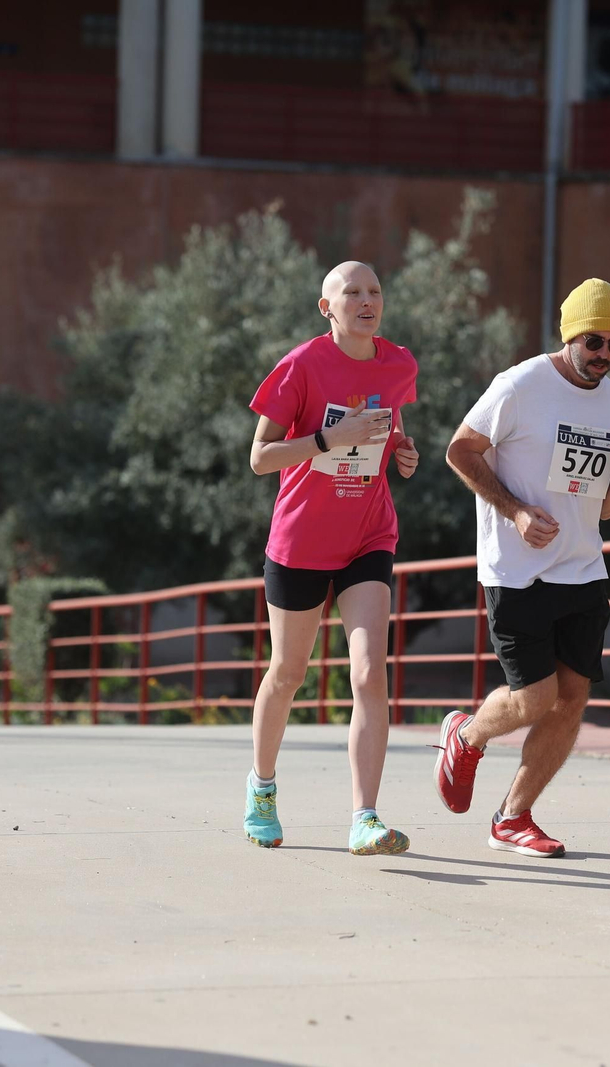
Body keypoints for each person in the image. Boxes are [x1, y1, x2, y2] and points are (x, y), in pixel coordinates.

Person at [435, 277, 610, 857]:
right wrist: (517, 512)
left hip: (582, 569)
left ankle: (513, 816)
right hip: (517, 570)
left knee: (572, 698)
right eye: (595, 341)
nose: (605, 355)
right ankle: (467, 734)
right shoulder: (521, 384)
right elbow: (460, 450)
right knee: (532, 699)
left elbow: (607, 508)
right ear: (571, 334)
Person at [243, 261, 420, 856]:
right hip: (300, 542)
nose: (366, 300)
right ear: (328, 307)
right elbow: (260, 457)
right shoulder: (301, 366)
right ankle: (262, 788)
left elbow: (393, 426)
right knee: (289, 673)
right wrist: (328, 440)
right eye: (353, 292)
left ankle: (364, 817)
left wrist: (402, 450)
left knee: (369, 671)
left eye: (375, 290)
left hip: (369, 535)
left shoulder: (400, 365)